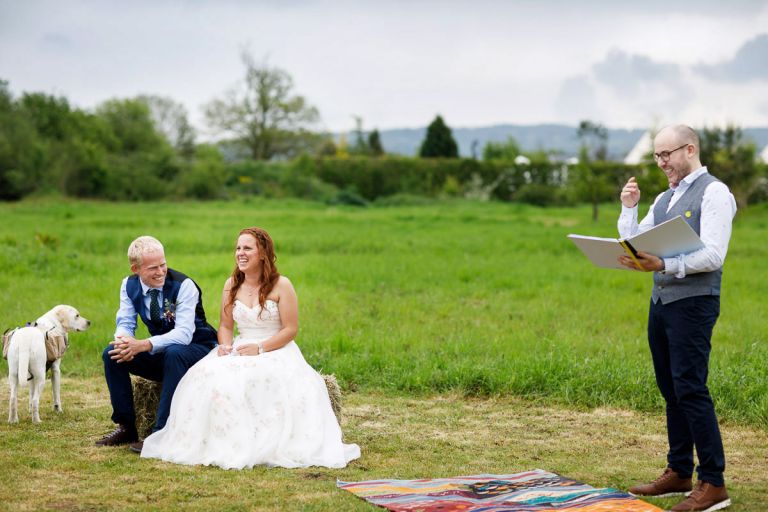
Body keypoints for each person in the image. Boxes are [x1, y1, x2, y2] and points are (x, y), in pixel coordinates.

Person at [140, 227, 360, 469]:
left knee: (258, 379)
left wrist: (261, 348)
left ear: (263, 253)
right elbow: (225, 326)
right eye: (238, 248)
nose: (240, 253)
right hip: (240, 345)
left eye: (247, 248)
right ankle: (218, 441)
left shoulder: (282, 285)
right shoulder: (231, 284)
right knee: (207, 377)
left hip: (276, 348)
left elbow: (290, 329)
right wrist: (224, 346)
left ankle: (262, 441)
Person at [617, 125, 736, 511]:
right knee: (670, 389)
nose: (661, 162)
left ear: (690, 149)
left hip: (695, 304)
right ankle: (680, 470)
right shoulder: (666, 197)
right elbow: (634, 240)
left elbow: (714, 255)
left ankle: (713, 482)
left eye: (666, 154)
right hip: (662, 303)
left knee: (691, 388)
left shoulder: (715, 193)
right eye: (656, 156)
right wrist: (629, 208)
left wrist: (666, 263)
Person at [95, 236, 218, 452]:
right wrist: (123, 341)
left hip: (199, 349)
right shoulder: (128, 285)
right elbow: (125, 321)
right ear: (136, 268)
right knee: (112, 354)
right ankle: (127, 427)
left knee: (175, 353)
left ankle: (161, 433)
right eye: (153, 268)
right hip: (164, 351)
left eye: (163, 264)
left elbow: (183, 335)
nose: (161, 271)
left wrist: (142, 345)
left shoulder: (184, 286)